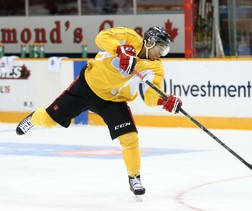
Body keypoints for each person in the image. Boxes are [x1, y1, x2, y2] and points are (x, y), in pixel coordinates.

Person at [16, 26, 182, 197]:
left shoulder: (156, 68)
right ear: (149, 42)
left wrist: (163, 101)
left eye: (165, 49)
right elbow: (101, 37)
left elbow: (150, 97)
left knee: (129, 137)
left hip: (112, 100)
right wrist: (120, 49)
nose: (162, 53)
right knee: (50, 120)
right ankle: (32, 119)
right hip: (87, 87)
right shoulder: (130, 38)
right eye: (160, 47)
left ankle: (134, 177)